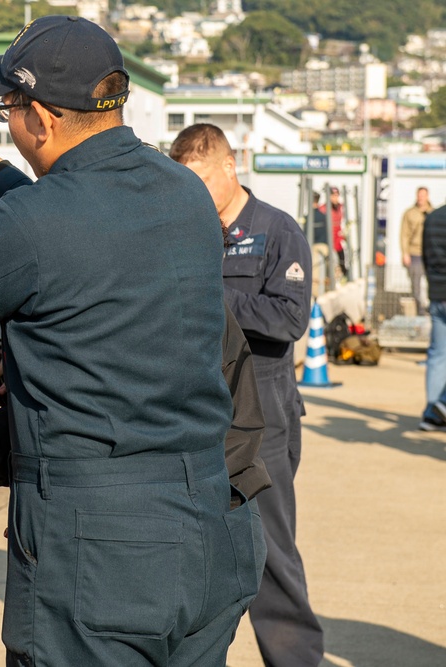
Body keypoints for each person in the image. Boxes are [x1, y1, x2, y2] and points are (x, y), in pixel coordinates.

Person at [0, 16, 258, 665]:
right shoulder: (183, 193)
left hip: (102, 564)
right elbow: (86, 226)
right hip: (209, 535)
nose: (8, 122)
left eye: (8, 107)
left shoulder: (35, 223)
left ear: (40, 119)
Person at [170, 123, 322, 667]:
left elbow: (289, 317)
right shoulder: (187, 230)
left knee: (271, 551)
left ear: (231, 167)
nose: (193, 194)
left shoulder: (277, 231)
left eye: (201, 180)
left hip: (267, 410)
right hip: (204, 406)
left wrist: (212, 296)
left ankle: (296, 659)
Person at [420, 199, 446, 430]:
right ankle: (442, 403)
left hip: (437, 294)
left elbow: (425, 257)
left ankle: (431, 414)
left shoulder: (432, 217)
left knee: (438, 355)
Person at [402, 186, 432, 316]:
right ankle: (420, 312)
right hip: (415, 253)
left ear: (427, 196)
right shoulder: (410, 213)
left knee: (431, 283)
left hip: (430, 254)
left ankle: (431, 310)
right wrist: (405, 253)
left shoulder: (433, 212)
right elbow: (404, 234)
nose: (421, 198)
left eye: (423, 195)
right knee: (416, 285)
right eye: (419, 195)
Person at [319, 186, 347, 277]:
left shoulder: (340, 207)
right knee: (329, 263)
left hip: (338, 240)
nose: (335, 198)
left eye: (337, 195)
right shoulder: (323, 209)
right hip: (328, 240)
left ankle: (342, 275)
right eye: (333, 196)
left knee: (341, 260)